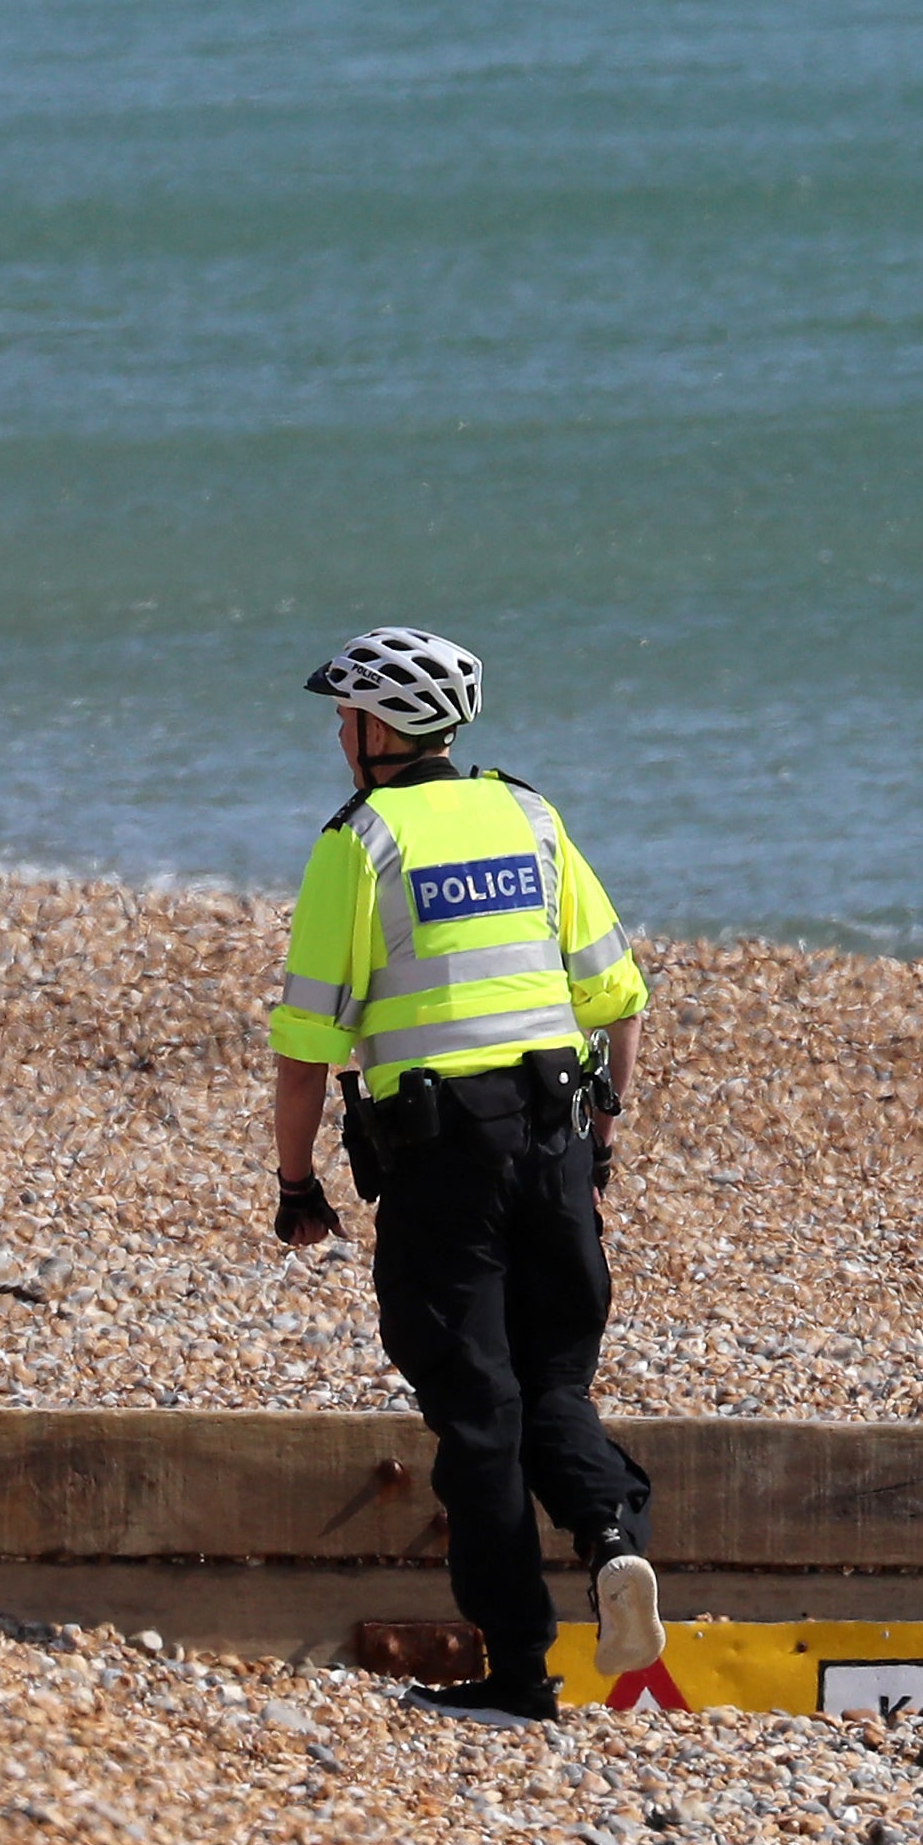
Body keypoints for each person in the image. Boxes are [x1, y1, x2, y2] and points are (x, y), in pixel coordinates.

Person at [266, 627, 658, 1724]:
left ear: (378, 728)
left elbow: (307, 1044)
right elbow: (619, 999)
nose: (337, 739)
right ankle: (613, 1534)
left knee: (479, 1413)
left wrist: (297, 1184)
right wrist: (604, 1145)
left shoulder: (363, 839)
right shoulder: (529, 815)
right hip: (556, 1139)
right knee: (555, 1385)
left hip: (443, 1161)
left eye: (342, 719)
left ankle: (520, 1671)